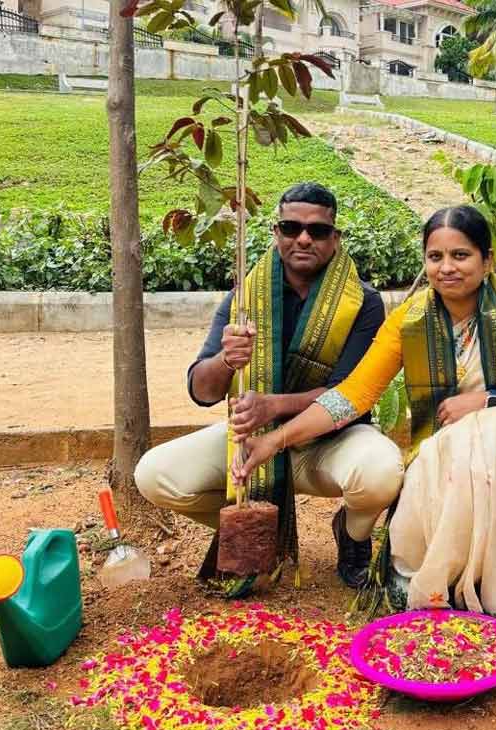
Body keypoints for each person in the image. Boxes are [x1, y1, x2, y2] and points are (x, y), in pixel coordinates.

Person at [234, 205, 496, 632]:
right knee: (460, 447)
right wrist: (273, 442)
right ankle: (457, 581)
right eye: (435, 257)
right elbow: (352, 396)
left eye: (460, 256)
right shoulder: (409, 320)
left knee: (495, 439)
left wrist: (489, 402)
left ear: (487, 258)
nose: (446, 268)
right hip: (445, 444)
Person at [134, 182, 404, 589]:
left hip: (330, 441)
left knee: (381, 470)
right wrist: (226, 360)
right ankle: (258, 528)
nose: (304, 238)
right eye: (291, 227)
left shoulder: (362, 302)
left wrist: (273, 407)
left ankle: (353, 534)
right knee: (155, 474)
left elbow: (348, 393)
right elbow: (202, 392)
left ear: (336, 239)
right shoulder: (245, 298)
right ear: (276, 233)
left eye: (318, 231)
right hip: (253, 442)